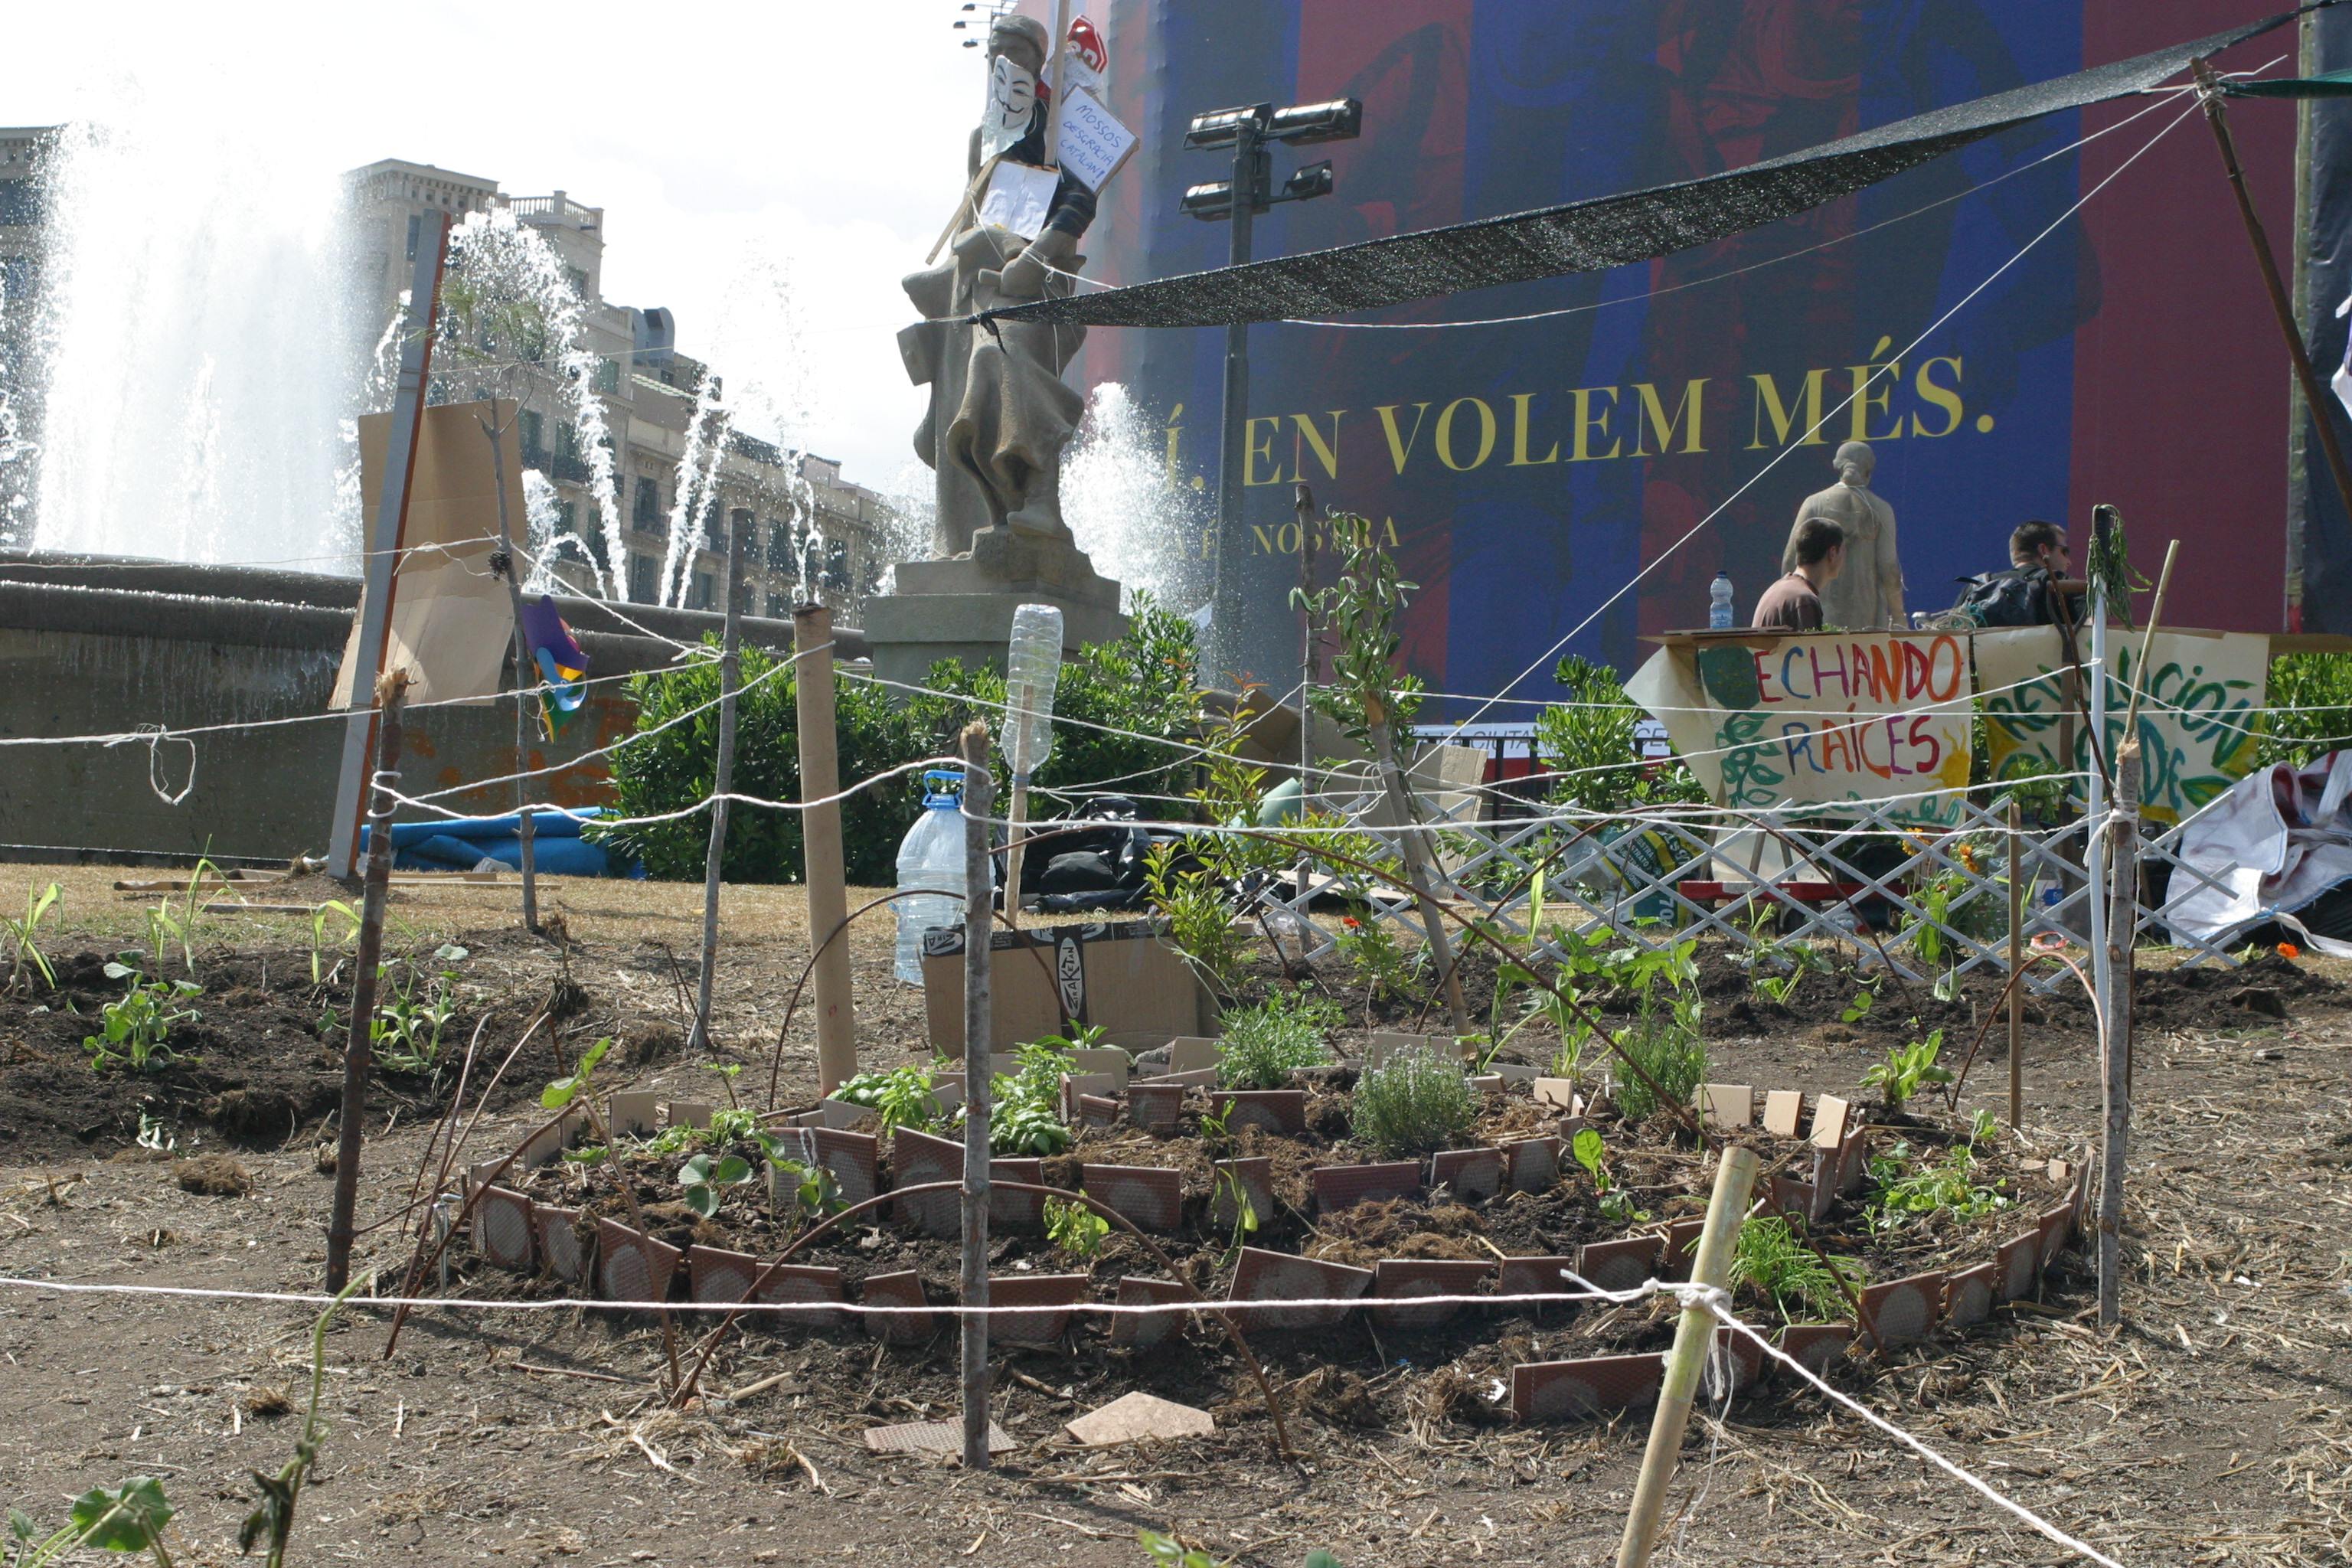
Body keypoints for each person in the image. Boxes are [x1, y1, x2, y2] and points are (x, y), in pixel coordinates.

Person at [1782, 441, 1905, 629]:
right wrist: (1898, 616)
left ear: (1837, 466)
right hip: (1866, 619)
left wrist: (1788, 605)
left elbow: (1791, 559)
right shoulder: (1881, 509)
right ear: (1869, 471)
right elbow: (1889, 569)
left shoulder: (1813, 504)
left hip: (1817, 614)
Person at [1947, 519, 2080, 628]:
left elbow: (1949, 639)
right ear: (2043, 550)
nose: (2069, 562)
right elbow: (2090, 629)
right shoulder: (2062, 583)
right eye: (2064, 551)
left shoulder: (1976, 586)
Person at [1753, 518, 1844, 630]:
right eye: (1843, 551)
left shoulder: (1780, 588)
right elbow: (1810, 642)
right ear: (1833, 553)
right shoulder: (1804, 600)